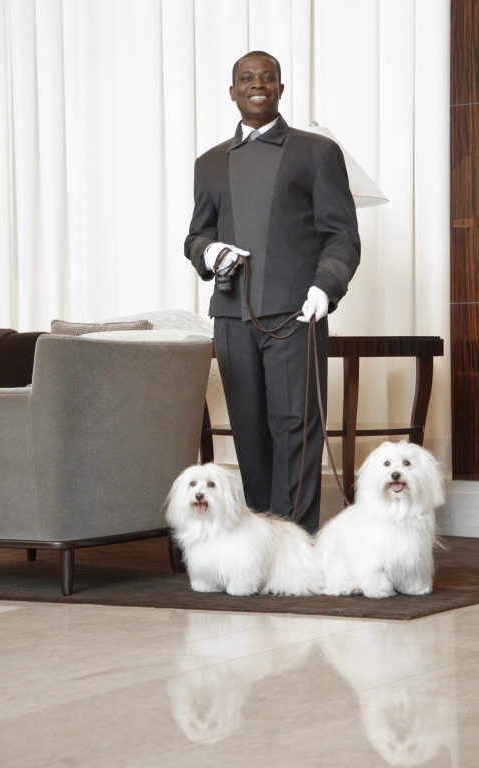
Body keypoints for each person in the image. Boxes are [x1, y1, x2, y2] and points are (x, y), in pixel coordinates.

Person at [184, 51, 360, 533]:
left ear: (281, 89)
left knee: (295, 429)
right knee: (249, 433)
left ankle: (295, 543)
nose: (257, 84)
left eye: (267, 78)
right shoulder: (209, 162)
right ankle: (259, 541)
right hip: (231, 316)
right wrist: (209, 251)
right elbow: (196, 235)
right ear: (232, 91)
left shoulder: (317, 152)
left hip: (295, 314)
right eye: (247, 78)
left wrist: (326, 287)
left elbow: (342, 236)